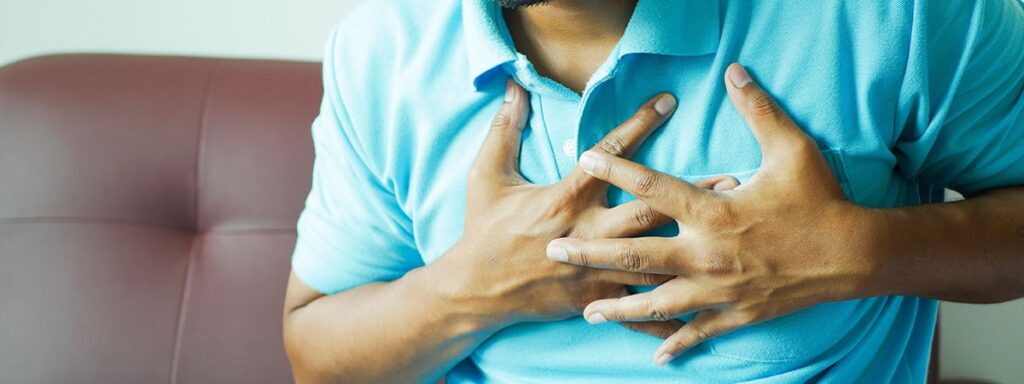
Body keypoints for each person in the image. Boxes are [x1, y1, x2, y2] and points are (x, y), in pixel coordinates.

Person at [282, 0, 1024, 382]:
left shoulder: (898, 14)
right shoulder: (380, 48)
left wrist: (857, 251)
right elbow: (316, 356)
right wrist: (475, 288)